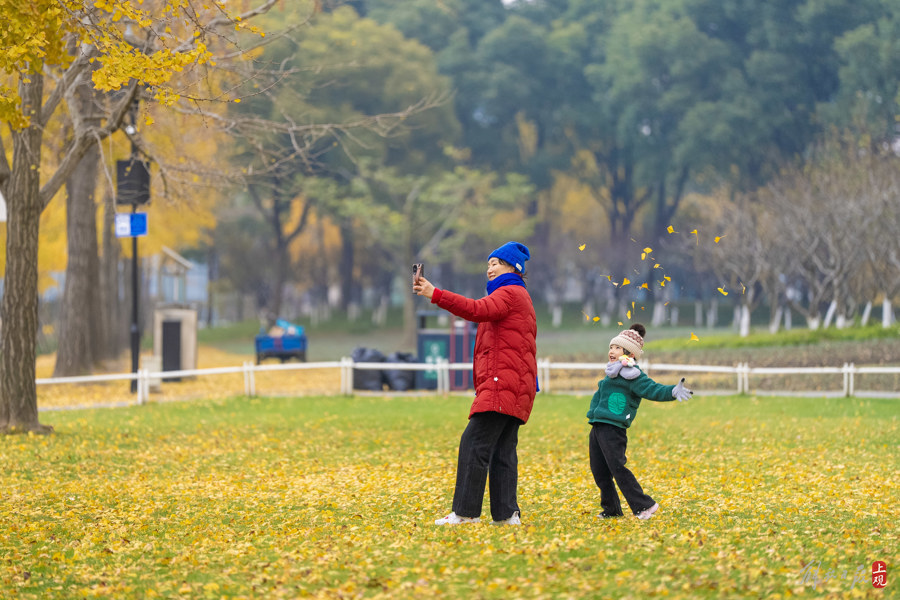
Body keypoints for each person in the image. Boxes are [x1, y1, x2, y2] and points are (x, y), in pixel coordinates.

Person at [413, 242, 537, 526]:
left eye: (495, 263)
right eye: (488, 263)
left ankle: (466, 512)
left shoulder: (509, 293)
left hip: (502, 384)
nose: (489, 268)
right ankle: (506, 516)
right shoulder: (517, 296)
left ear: (512, 268)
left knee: (474, 443)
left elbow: (475, 309)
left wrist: (436, 294)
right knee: (502, 449)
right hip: (515, 385)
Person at [587, 323, 692, 520]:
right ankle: (611, 510)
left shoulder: (633, 375)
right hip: (598, 425)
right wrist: (593, 413)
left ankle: (645, 506)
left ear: (630, 354)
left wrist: (671, 391)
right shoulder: (612, 372)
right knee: (599, 471)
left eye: (617, 348)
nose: (611, 351)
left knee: (618, 468)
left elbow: (652, 389)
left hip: (614, 428)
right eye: (611, 347)